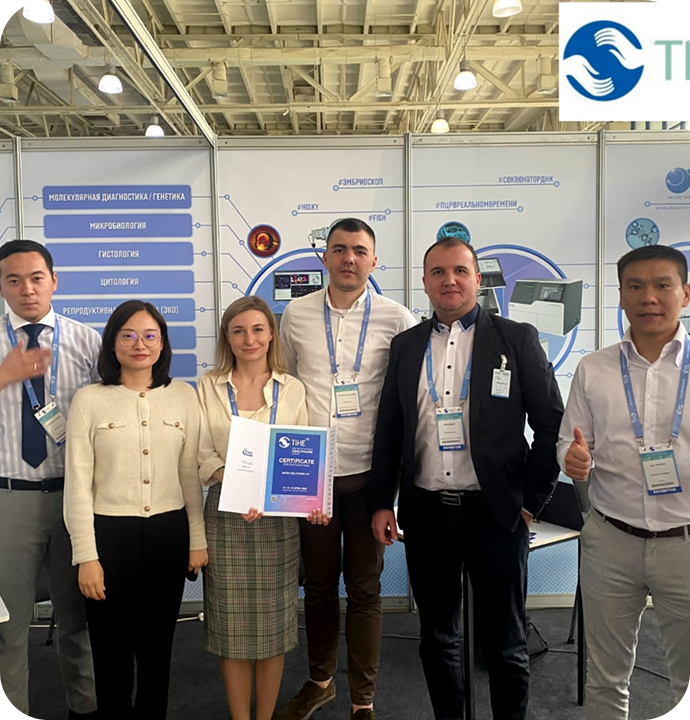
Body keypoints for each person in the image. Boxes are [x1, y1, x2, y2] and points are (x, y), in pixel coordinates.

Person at [369, 237, 564, 720]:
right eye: (437, 272)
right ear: (424, 282)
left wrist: (530, 502)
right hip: (427, 515)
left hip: (496, 514)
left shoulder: (516, 339)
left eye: (459, 271)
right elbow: (390, 429)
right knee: (438, 639)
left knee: (505, 642)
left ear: (478, 279)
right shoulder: (406, 346)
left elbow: (551, 425)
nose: (449, 280)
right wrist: (382, 501)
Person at [276, 218, 417, 720]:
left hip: (370, 478)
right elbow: (285, 387)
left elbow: (406, 401)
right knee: (317, 587)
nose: (349, 259)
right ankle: (320, 682)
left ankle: (363, 700)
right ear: (325, 258)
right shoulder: (295, 315)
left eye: (359, 250)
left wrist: (396, 487)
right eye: (339, 249)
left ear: (374, 260)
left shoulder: (397, 318)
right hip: (312, 476)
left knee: (365, 590)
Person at [559, 244, 690, 719]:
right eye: (635, 286)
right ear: (620, 295)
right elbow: (570, 441)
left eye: (662, 285)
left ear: (685, 294)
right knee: (605, 678)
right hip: (611, 540)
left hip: (685, 543)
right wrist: (573, 459)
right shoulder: (594, 368)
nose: (648, 297)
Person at [63, 299, 208, 720]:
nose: (139, 344)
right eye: (127, 335)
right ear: (112, 343)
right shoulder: (89, 400)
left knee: (157, 651)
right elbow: (78, 485)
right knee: (110, 653)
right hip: (109, 538)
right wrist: (86, 556)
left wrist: (196, 540)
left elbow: (189, 476)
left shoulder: (183, 396)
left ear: (162, 344)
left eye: (149, 335)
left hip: (168, 535)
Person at [197, 295, 319, 720]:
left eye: (257, 329)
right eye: (239, 331)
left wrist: (308, 498)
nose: (249, 339)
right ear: (227, 338)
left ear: (271, 335)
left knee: (272, 630)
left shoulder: (293, 388)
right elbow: (202, 453)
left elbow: (301, 456)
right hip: (225, 516)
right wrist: (236, 483)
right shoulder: (208, 385)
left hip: (276, 521)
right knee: (230, 630)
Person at [0, 239, 99, 718]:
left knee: (78, 620)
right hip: (8, 500)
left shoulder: (87, 341)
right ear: (2, 287)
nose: (27, 289)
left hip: (72, 500)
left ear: (54, 281)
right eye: (14, 280)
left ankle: (87, 709)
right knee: (9, 627)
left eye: (36, 278)